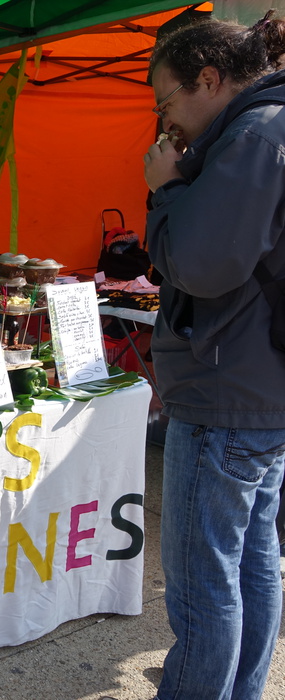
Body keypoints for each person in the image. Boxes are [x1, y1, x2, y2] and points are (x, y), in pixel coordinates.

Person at [144, 12, 285, 699]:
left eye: (166, 99)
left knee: (205, 584)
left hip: (226, 388)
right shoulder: (265, 126)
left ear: (208, 78)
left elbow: (200, 264)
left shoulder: (254, 135)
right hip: (259, 387)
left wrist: (167, 188)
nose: (164, 117)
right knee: (252, 563)